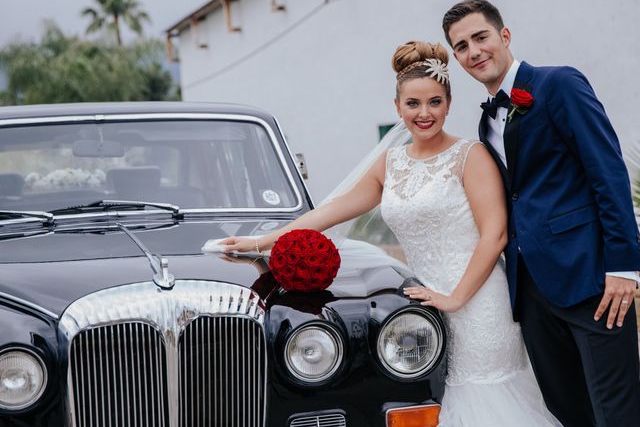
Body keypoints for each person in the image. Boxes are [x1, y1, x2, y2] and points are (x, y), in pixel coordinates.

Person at [219, 41, 561, 426]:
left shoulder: (471, 156)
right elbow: (333, 210)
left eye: (434, 102)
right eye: (413, 104)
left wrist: (455, 298)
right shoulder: (392, 163)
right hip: (419, 305)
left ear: (448, 103)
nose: (424, 113)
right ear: (397, 107)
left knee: (482, 405)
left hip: (476, 302)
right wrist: (261, 241)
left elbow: (494, 235)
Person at [442, 0, 640, 427]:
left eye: (481, 37)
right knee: (567, 411)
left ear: (504, 36)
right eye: (461, 46)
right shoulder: (486, 124)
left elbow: (606, 171)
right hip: (530, 292)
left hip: (590, 280)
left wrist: (625, 265)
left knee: (617, 412)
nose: (474, 51)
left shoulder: (559, 84)